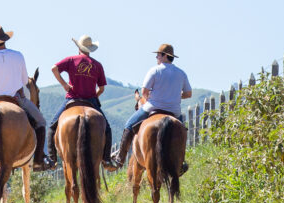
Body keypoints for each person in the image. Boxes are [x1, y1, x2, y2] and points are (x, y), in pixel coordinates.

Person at [0, 25, 54, 172]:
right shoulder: (18, 55)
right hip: (16, 99)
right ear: (5, 39)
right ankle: (38, 160)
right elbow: (24, 81)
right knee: (41, 122)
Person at [112, 43, 192, 171]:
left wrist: (154, 97)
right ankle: (180, 162)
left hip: (152, 108)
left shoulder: (155, 70)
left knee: (128, 125)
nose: (156, 58)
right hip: (174, 112)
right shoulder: (181, 73)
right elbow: (188, 94)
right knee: (182, 131)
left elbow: (144, 92)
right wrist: (174, 96)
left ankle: (119, 159)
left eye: (158, 55)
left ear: (165, 56)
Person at [47, 35, 120, 171]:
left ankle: (52, 160)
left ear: (79, 48)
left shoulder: (71, 60)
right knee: (108, 129)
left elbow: (53, 68)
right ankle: (106, 159)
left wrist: (64, 85)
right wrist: (94, 96)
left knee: (52, 126)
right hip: (91, 101)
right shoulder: (97, 65)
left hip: (72, 99)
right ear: (90, 49)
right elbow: (102, 88)